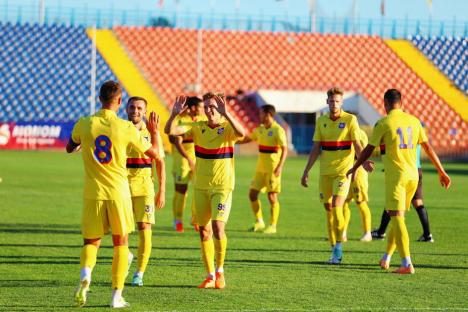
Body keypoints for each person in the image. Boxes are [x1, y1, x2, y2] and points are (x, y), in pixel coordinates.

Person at [66, 81, 162, 308]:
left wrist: (83, 144)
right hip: (119, 193)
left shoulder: (85, 124)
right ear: (119, 102)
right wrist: (156, 132)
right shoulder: (125, 128)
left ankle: (85, 273)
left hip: (93, 192)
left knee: (91, 241)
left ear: (100, 98)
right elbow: (156, 154)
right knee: (121, 243)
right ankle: (115, 296)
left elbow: (70, 148)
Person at [347, 88, 451, 274]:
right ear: (402, 104)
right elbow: (427, 147)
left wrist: (355, 167)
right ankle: (386, 257)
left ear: (385, 104)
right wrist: (441, 171)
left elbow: (368, 150)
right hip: (414, 176)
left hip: (397, 177)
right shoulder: (415, 121)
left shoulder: (383, 123)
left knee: (396, 218)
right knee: (397, 216)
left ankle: (406, 263)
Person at [165, 92, 245, 289]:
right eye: (207, 107)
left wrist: (226, 114)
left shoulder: (227, 129)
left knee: (218, 227)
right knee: (204, 232)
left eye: (213, 107)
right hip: (201, 187)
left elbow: (242, 133)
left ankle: (220, 271)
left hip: (222, 186)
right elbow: (170, 131)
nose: (209, 110)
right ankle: (210, 276)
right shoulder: (197, 127)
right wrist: (174, 114)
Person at [301, 87, 373, 264]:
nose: (334, 104)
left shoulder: (350, 120)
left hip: (343, 172)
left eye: (337, 101)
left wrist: (362, 162)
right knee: (328, 209)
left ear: (342, 103)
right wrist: (306, 170)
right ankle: (333, 245)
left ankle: (339, 248)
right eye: (331, 101)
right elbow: (316, 148)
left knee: (337, 206)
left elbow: (356, 144)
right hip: (325, 172)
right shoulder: (321, 121)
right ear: (327, 102)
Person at [125, 96, 166, 287]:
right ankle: (126, 256)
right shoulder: (120, 129)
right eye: (132, 107)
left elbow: (160, 162)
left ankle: (139, 273)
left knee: (145, 229)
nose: (136, 111)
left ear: (144, 111)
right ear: (126, 109)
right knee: (120, 230)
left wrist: (162, 189)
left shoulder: (152, 133)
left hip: (145, 188)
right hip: (122, 186)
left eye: (140, 108)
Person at [371, 144, 434, 242]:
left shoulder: (406, 129)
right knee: (418, 202)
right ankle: (427, 235)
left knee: (393, 202)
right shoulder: (417, 129)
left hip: (403, 170)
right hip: (416, 169)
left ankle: (381, 233)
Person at [242, 104, 288, 234]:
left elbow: (285, 149)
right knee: (252, 194)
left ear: (268, 115)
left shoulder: (278, 130)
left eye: (261, 114)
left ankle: (273, 225)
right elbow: (248, 139)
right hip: (260, 169)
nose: (259, 116)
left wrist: (279, 166)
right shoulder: (260, 129)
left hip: (273, 169)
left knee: (272, 197)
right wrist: (233, 140)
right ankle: (259, 221)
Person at [169, 96, 205, 232]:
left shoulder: (202, 120)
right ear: (194, 108)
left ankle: (195, 218)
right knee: (181, 192)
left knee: (199, 191)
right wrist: (188, 159)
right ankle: (177, 220)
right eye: (201, 107)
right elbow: (176, 142)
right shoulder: (180, 120)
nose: (203, 110)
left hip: (199, 162)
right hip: (182, 162)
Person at [342, 128, 372, 242]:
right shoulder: (346, 132)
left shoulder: (360, 134)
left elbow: (362, 154)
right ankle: (343, 233)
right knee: (344, 202)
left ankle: (367, 233)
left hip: (358, 174)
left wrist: (356, 170)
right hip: (347, 171)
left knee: (361, 202)